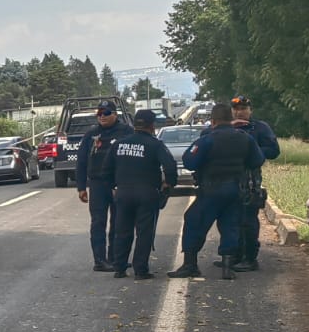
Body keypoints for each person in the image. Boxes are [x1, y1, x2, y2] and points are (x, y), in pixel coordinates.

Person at [168, 103, 265, 280]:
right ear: (231, 119)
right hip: (235, 189)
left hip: (211, 189)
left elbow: (189, 161)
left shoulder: (208, 139)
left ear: (212, 121)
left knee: (193, 220)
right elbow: (257, 160)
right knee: (230, 226)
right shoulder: (245, 138)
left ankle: (190, 264)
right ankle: (228, 267)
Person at [109, 109, 179, 279]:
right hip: (147, 193)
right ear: (152, 125)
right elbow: (170, 167)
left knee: (122, 231)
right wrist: (168, 183)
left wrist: (114, 186)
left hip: (123, 192)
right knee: (144, 232)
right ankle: (140, 270)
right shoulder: (155, 144)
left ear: (135, 124)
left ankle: (119, 268)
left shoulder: (119, 144)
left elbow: (107, 168)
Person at [75, 101, 129, 271]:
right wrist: (81, 187)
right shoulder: (91, 134)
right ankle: (100, 260)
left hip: (119, 183)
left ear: (115, 114)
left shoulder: (126, 131)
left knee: (118, 222)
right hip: (98, 184)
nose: (102, 116)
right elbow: (82, 161)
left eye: (106, 113)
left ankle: (115, 257)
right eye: (99, 113)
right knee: (98, 222)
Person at [229, 95, 281, 271]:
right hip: (229, 180)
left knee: (248, 220)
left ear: (250, 110)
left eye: (243, 109)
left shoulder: (260, 128)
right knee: (231, 220)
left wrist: (251, 149)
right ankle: (234, 255)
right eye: (236, 109)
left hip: (250, 181)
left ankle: (250, 257)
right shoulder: (227, 128)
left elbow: (274, 151)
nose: (239, 112)